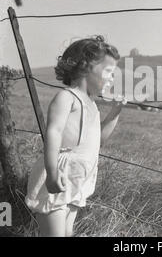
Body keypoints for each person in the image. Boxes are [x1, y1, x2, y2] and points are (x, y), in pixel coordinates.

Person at [25, 35, 126, 237]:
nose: (112, 78)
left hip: (77, 180)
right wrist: (52, 173)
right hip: (59, 176)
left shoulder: (92, 105)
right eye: (108, 71)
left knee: (67, 232)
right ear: (86, 67)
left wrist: (114, 113)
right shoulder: (67, 97)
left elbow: (98, 142)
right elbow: (53, 132)